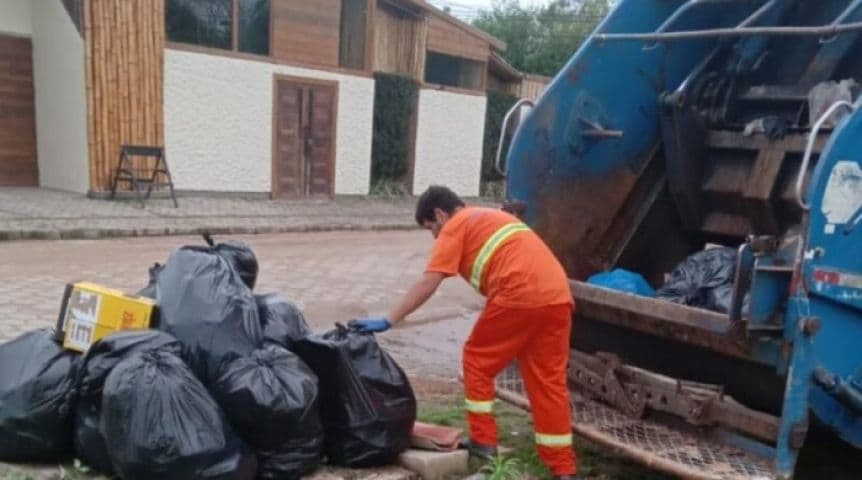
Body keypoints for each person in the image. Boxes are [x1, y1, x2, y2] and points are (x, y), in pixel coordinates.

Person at [350, 185, 578, 479]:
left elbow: (429, 282)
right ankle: (564, 470)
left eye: (431, 229)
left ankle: (484, 444)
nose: (435, 236)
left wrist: (390, 319)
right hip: (558, 298)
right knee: (548, 384)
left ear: (440, 214)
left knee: (477, 361)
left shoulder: (456, 226)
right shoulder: (493, 218)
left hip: (519, 295)